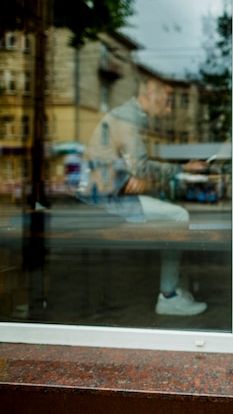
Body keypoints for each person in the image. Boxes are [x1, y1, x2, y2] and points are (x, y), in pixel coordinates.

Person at [79, 76, 208, 316]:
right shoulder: (130, 117)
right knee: (179, 215)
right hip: (110, 200)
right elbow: (140, 168)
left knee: (171, 213)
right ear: (149, 93)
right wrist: (182, 169)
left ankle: (175, 286)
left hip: (106, 193)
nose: (168, 109)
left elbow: (135, 169)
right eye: (166, 101)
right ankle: (169, 296)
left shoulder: (127, 114)